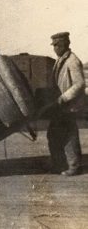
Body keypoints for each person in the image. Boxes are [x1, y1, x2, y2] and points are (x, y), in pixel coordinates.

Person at [44, 32, 85, 176]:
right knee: (55, 134)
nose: (55, 48)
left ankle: (73, 167)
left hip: (68, 105)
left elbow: (80, 84)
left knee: (68, 135)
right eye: (54, 45)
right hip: (61, 106)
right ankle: (60, 165)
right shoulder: (60, 59)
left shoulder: (72, 61)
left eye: (58, 45)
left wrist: (63, 98)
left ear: (66, 44)